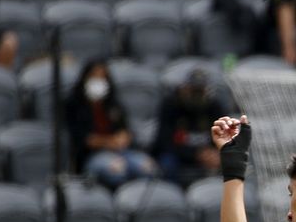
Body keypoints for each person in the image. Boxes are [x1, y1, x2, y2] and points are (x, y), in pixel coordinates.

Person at [67, 58, 158, 188]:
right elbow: (81, 138)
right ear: (85, 78)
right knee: (116, 170)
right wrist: (108, 142)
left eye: (103, 77)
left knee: (148, 167)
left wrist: (124, 137)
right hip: (92, 154)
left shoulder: (113, 103)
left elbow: (125, 129)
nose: (99, 81)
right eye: (94, 76)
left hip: (121, 151)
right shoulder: (74, 105)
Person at [153, 68, 229, 185]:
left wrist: (216, 152)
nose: (197, 95)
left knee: (230, 161)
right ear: (185, 88)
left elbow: (224, 138)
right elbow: (163, 142)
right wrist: (195, 154)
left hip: (206, 153)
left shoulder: (214, 107)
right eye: (194, 90)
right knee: (167, 163)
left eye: (200, 91)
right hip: (177, 153)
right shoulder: (170, 105)